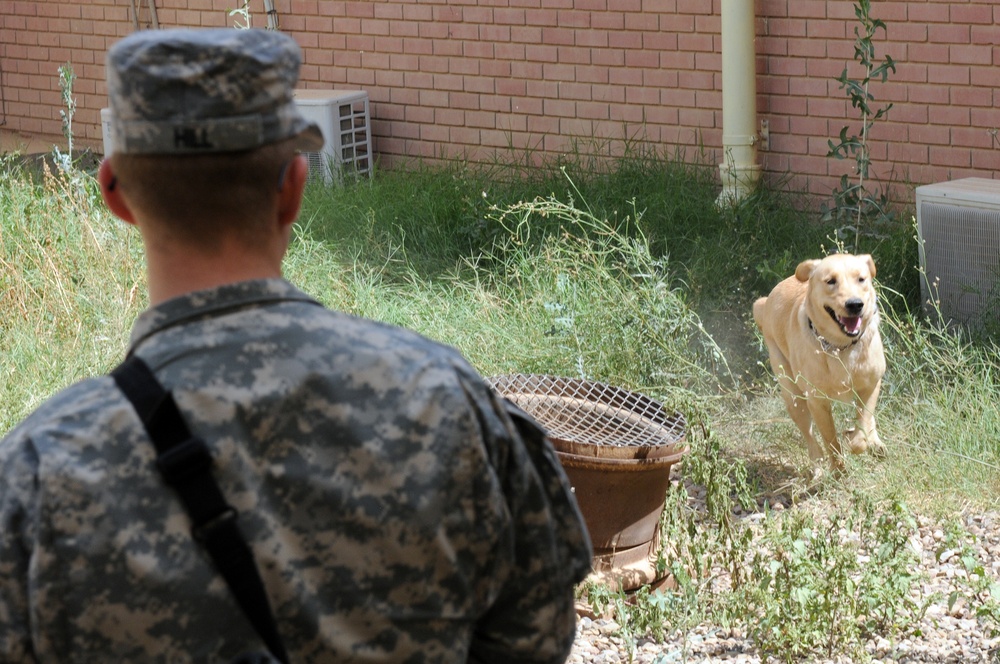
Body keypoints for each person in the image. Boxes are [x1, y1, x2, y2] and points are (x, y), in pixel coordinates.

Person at [0, 28, 591, 662]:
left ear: (115, 194)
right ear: (294, 187)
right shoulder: (446, 400)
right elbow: (535, 639)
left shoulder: (39, 473)